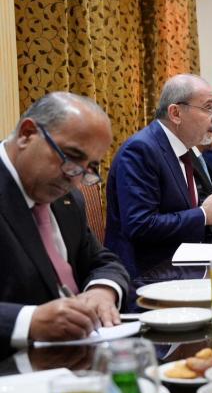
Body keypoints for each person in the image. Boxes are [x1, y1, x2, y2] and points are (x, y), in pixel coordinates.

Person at [0, 92, 130, 349]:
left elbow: (102, 260)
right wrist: (28, 321)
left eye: (89, 167)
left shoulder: (66, 198)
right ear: (27, 133)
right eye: (70, 156)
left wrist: (103, 290)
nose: (75, 178)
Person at [105, 74, 212, 278]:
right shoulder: (141, 150)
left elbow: (176, 209)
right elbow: (140, 225)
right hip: (148, 274)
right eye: (208, 107)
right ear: (176, 113)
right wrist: (203, 214)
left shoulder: (183, 149)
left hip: (181, 263)